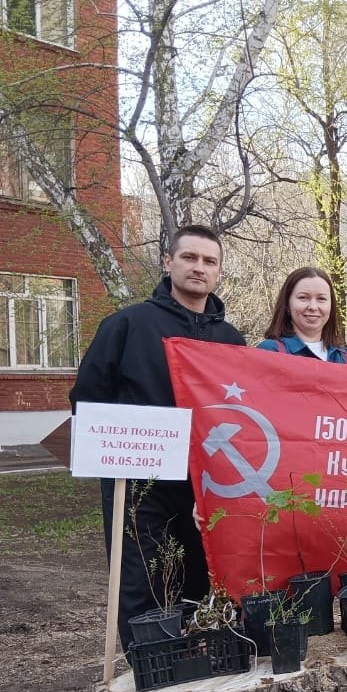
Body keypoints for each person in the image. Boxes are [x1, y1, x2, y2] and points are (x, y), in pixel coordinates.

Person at [70, 224, 246, 650]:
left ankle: (198, 650)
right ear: (168, 262)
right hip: (140, 483)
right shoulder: (126, 325)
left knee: (202, 570)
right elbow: (88, 401)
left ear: (219, 271)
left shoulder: (231, 339)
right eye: (189, 257)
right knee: (142, 573)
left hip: (206, 482)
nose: (198, 268)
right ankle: (148, 659)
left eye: (209, 261)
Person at [257, 267, 347, 363]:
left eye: (321, 299)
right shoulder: (269, 351)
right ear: (287, 305)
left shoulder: (344, 357)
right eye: (303, 297)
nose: (313, 307)